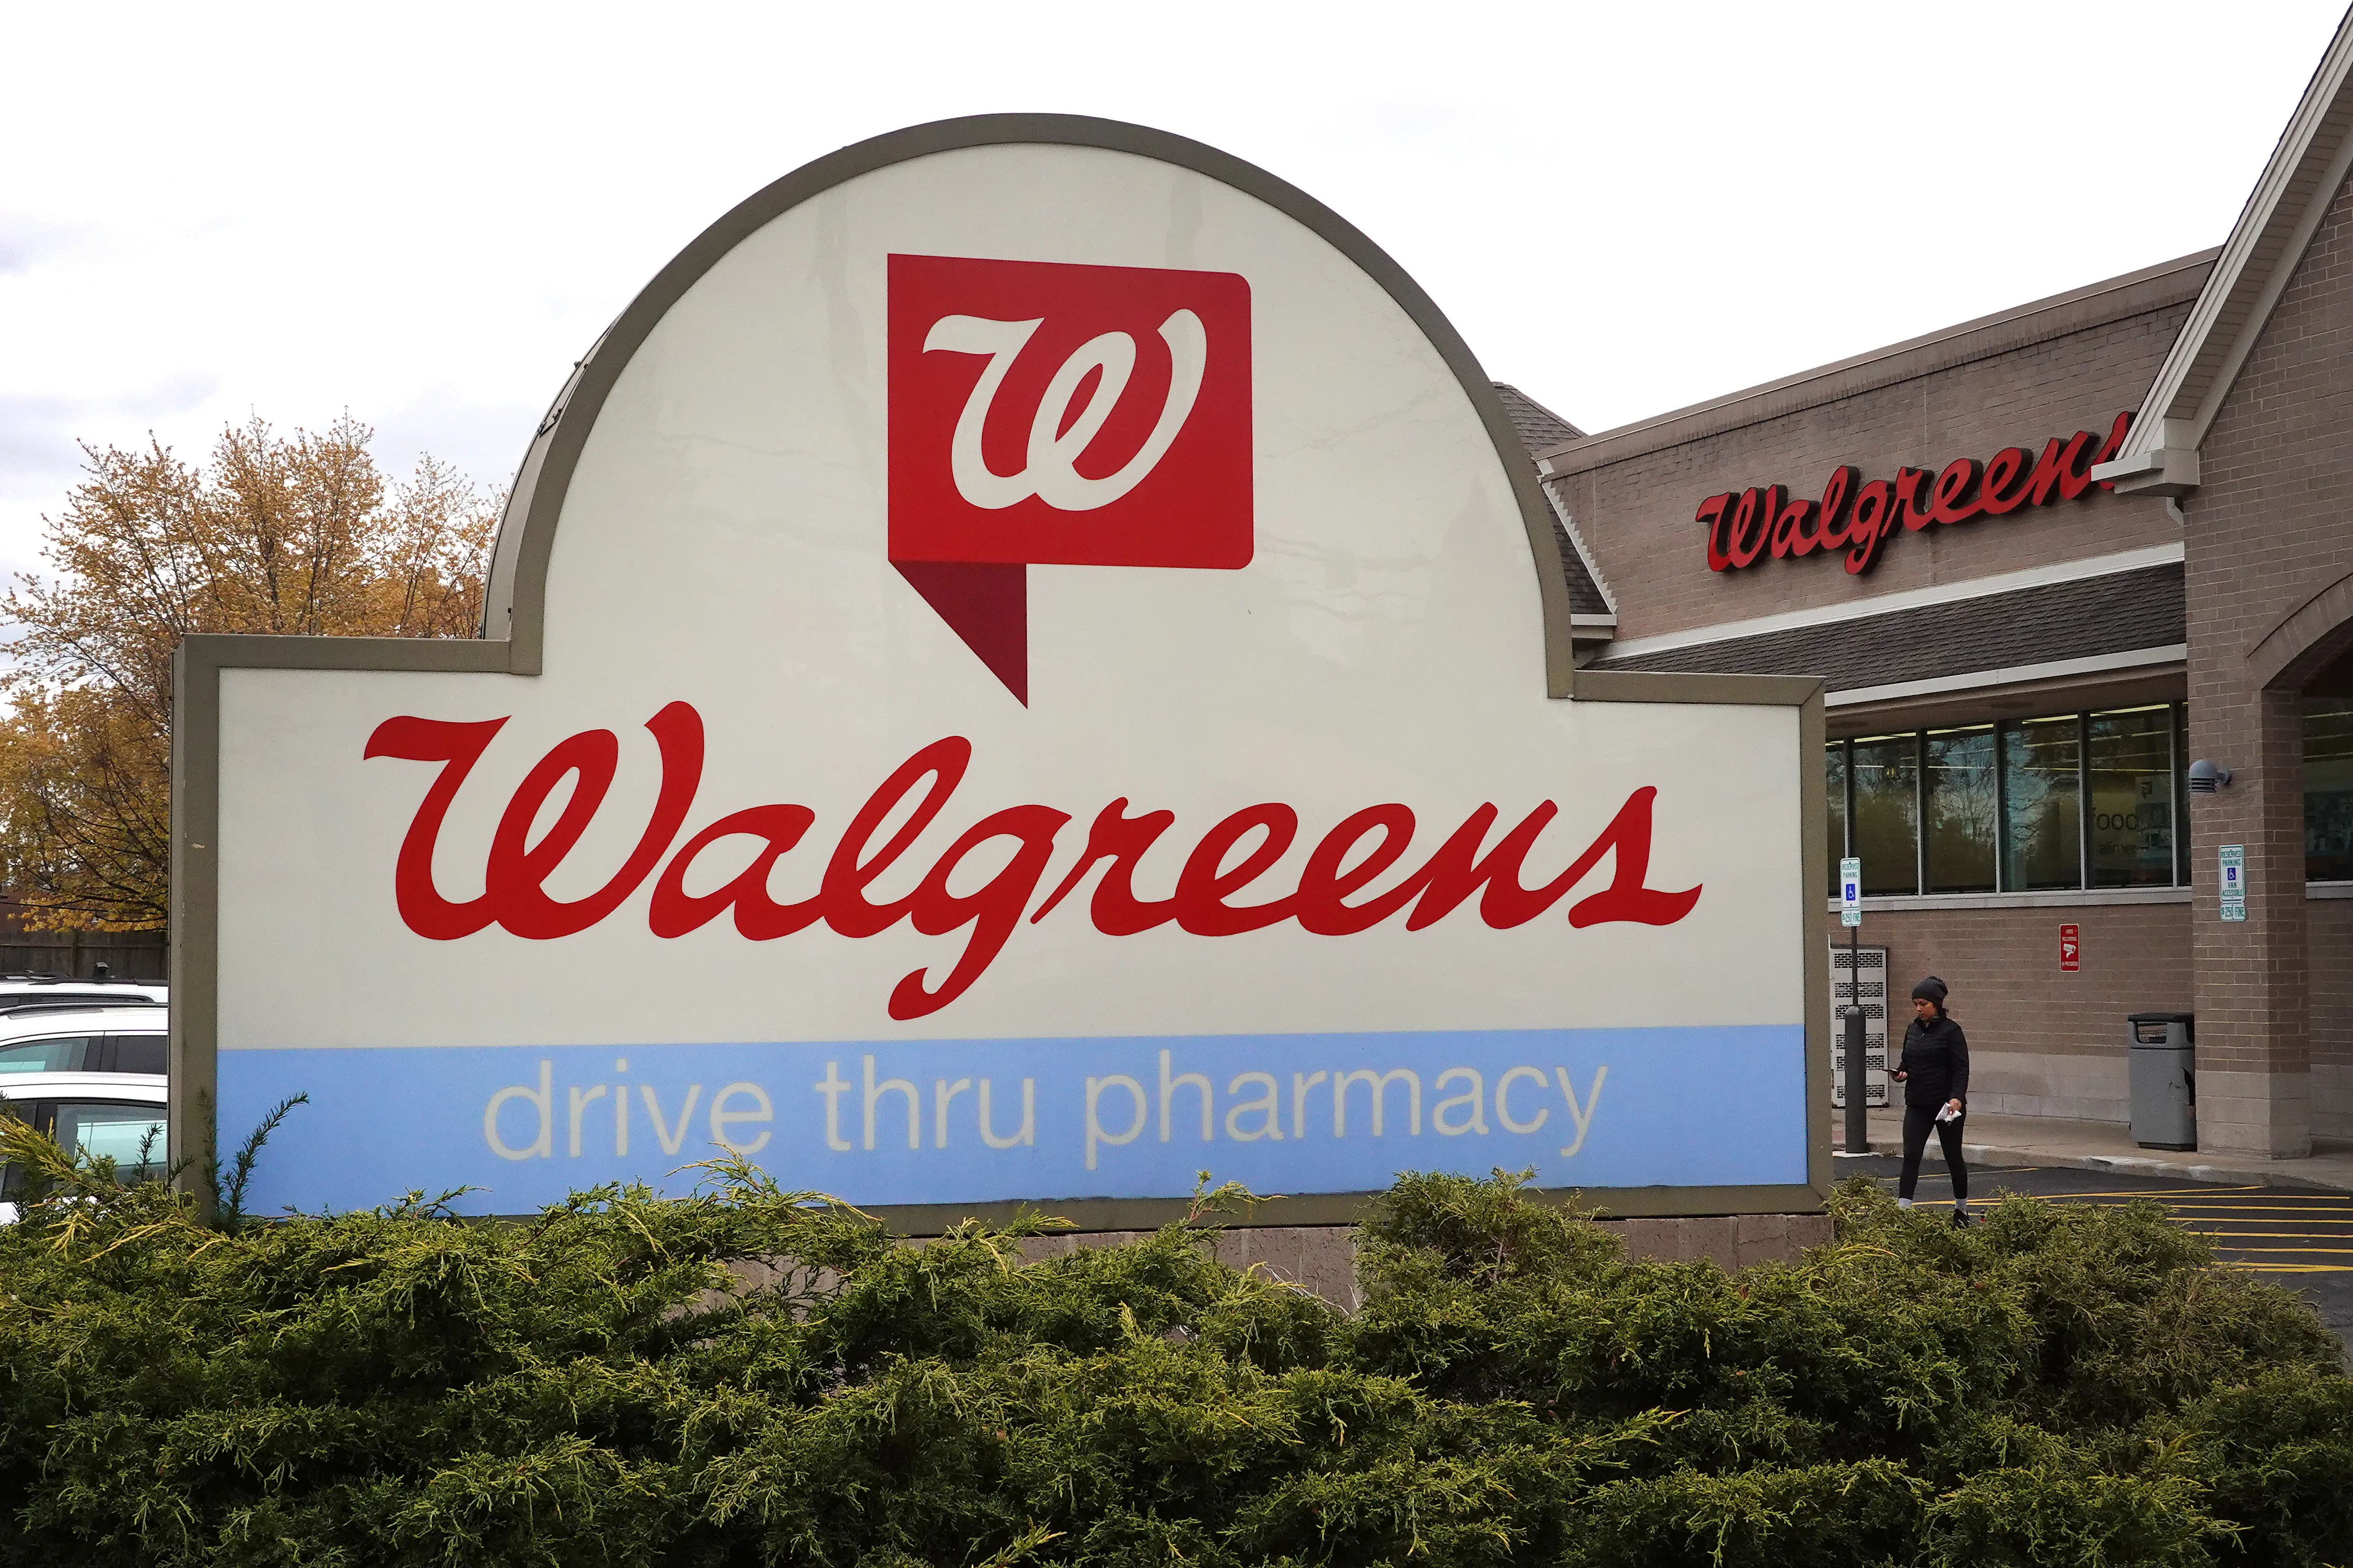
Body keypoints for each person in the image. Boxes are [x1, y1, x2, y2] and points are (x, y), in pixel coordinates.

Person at [1889, 974, 1971, 1226]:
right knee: (1912, 1155)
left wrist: (1957, 1097)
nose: (1918, 1008)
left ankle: (1961, 1210)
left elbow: (1961, 1068)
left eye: (1923, 1004)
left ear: (1936, 1005)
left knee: (1953, 1156)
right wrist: (1901, 1073)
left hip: (1945, 1105)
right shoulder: (1912, 1030)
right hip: (1917, 1103)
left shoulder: (1952, 1032)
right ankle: (1903, 1213)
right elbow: (1907, 1061)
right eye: (1915, 1003)